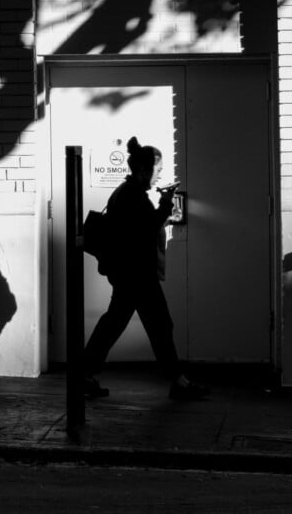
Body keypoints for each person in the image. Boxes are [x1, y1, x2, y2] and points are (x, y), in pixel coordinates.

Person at [83, 136, 208, 400]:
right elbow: (146, 229)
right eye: (158, 170)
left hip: (128, 273)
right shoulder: (132, 196)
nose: (159, 175)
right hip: (137, 274)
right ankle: (178, 382)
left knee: (115, 324)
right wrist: (166, 203)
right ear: (144, 170)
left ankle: (85, 375)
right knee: (160, 325)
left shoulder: (127, 193)